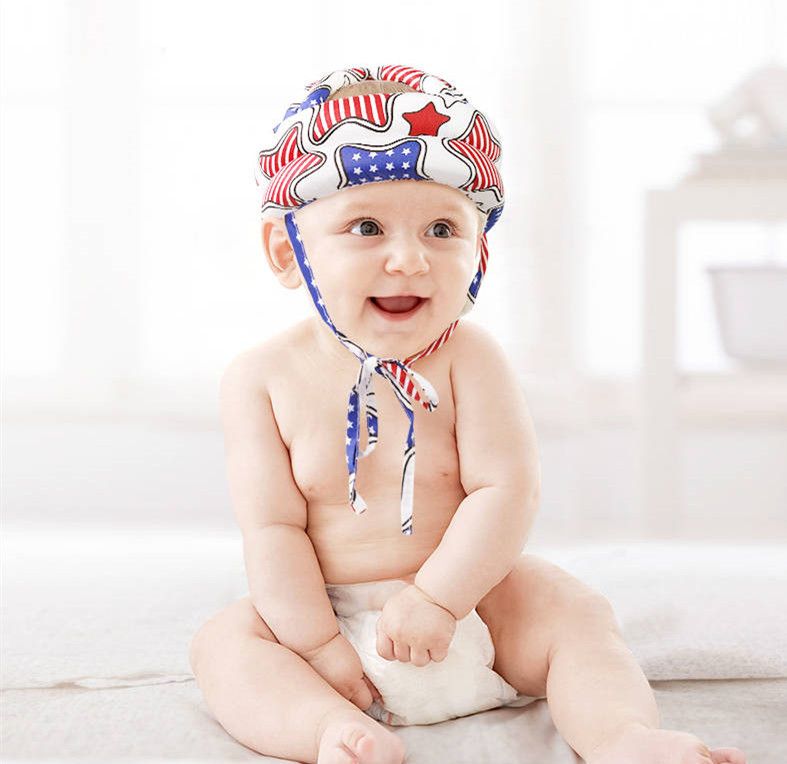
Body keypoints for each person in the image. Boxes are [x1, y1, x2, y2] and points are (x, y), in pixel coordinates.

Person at [188, 65, 747, 764]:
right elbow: (272, 529)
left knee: (573, 611)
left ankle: (620, 737)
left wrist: (438, 599)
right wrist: (318, 645)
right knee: (226, 644)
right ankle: (330, 730)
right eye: (366, 227)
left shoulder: (469, 359)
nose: (408, 259)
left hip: (471, 607)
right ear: (287, 251)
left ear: (479, 249)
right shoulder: (261, 379)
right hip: (329, 619)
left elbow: (505, 490)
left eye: (441, 229)